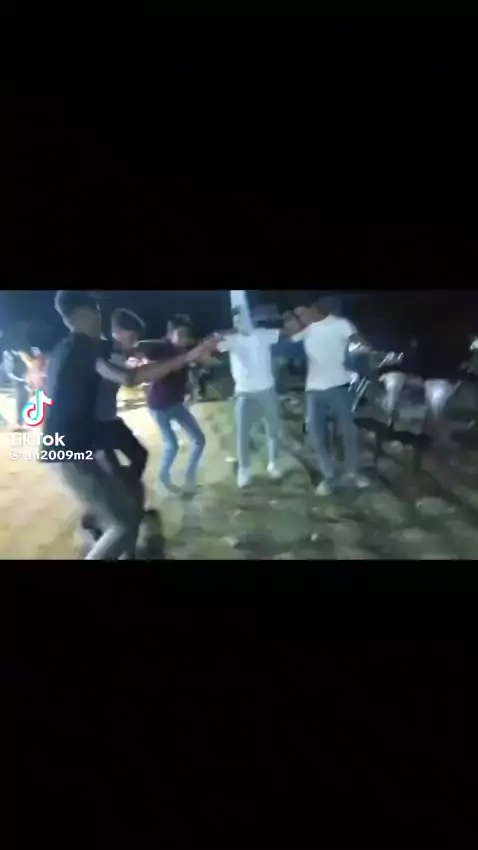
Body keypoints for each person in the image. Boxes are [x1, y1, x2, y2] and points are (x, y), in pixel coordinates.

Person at [44, 291, 214, 559]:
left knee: (127, 512)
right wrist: (187, 356)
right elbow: (129, 377)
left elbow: (132, 354)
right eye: (97, 313)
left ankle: (115, 535)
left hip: (78, 443)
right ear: (84, 314)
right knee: (121, 525)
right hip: (72, 448)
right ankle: (101, 524)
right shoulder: (83, 349)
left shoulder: (69, 349)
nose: (100, 320)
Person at [290, 298, 371, 496]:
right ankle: (329, 477)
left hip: (338, 386)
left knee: (348, 432)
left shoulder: (340, 324)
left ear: (314, 309)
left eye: (302, 314)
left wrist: (351, 358)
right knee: (317, 434)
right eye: (298, 316)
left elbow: (362, 344)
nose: (301, 318)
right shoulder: (308, 330)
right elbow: (286, 342)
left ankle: (353, 473)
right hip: (313, 390)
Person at [214, 308, 285, 488]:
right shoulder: (231, 339)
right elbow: (213, 344)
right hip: (244, 393)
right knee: (242, 433)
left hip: (267, 390)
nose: (241, 322)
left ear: (251, 320)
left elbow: (284, 333)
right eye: (237, 320)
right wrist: (223, 334)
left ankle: (274, 463)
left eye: (244, 319)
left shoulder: (264, 334)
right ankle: (244, 469)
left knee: (273, 430)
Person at [145, 314, 207, 493]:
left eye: (186, 334)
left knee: (199, 440)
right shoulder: (161, 349)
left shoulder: (185, 349)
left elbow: (191, 369)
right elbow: (146, 351)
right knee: (172, 445)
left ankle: (190, 477)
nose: (184, 338)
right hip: (159, 406)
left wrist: (192, 389)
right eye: (180, 334)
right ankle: (164, 477)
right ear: (169, 333)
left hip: (177, 404)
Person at [3, 348, 29, 428]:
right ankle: (20, 422)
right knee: (20, 401)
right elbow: (9, 372)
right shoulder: (8, 354)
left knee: (25, 401)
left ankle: (23, 421)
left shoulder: (24, 352)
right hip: (18, 382)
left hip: (26, 381)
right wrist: (21, 379)